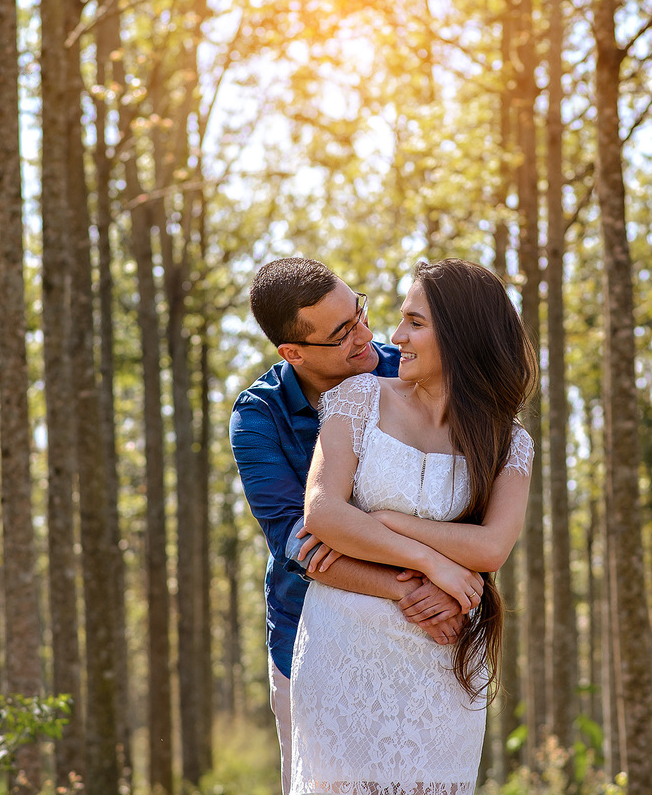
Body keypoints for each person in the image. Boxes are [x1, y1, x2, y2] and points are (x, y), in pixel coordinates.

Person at [229, 257, 480, 795]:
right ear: (292, 352)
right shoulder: (258, 418)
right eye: (341, 333)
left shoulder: (407, 369)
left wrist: (452, 586)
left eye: (359, 312)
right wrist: (408, 584)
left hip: (429, 633)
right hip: (312, 635)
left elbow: (461, 494)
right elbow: (302, 543)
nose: (367, 336)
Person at [289, 258, 536, 795]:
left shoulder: (509, 442)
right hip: (344, 651)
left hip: (443, 653)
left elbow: (492, 547)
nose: (395, 336)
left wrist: (388, 522)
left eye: (415, 322)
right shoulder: (357, 401)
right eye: (401, 319)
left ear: (463, 335)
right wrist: (433, 562)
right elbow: (324, 514)